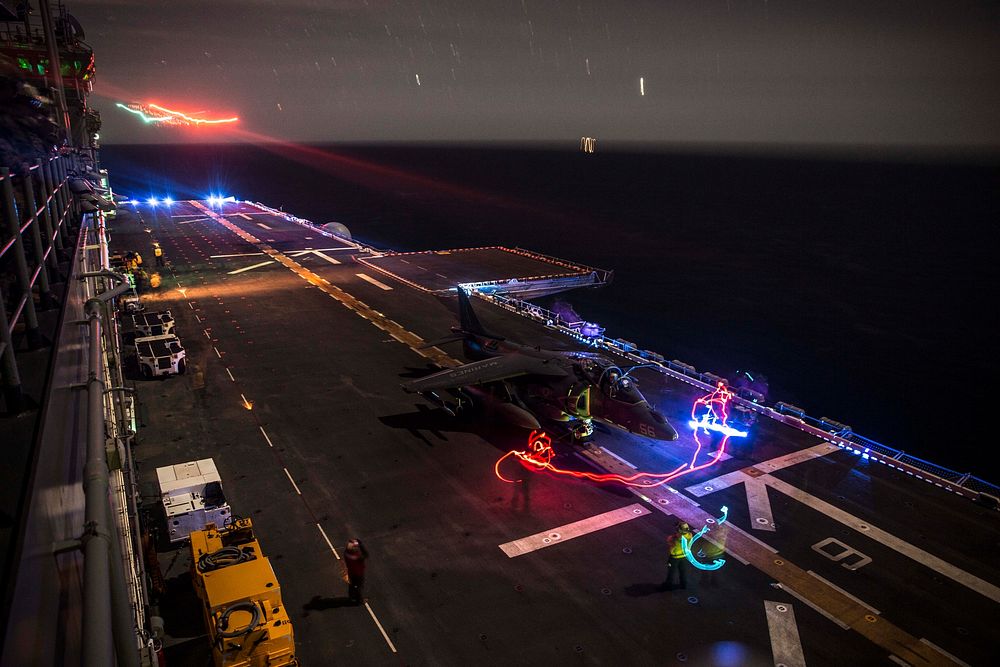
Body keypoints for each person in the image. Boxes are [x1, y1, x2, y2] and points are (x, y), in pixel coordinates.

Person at [662, 521, 694, 591]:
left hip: (674, 558)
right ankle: (683, 584)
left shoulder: (674, 538)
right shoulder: (690, 535)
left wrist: (675, 535)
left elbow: (669, 540)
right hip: (684, 557)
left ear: (680, 530)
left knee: (671, 572)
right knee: (683, 571)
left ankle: (668, 585)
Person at [344, 539, 369, 604]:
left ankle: (351, 597)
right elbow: (366, 555)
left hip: (351, 572)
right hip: (358, 574)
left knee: (352, 585)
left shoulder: (346, 553)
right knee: (359, 586)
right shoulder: (357, 557)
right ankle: (359, 600)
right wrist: (361, 545)